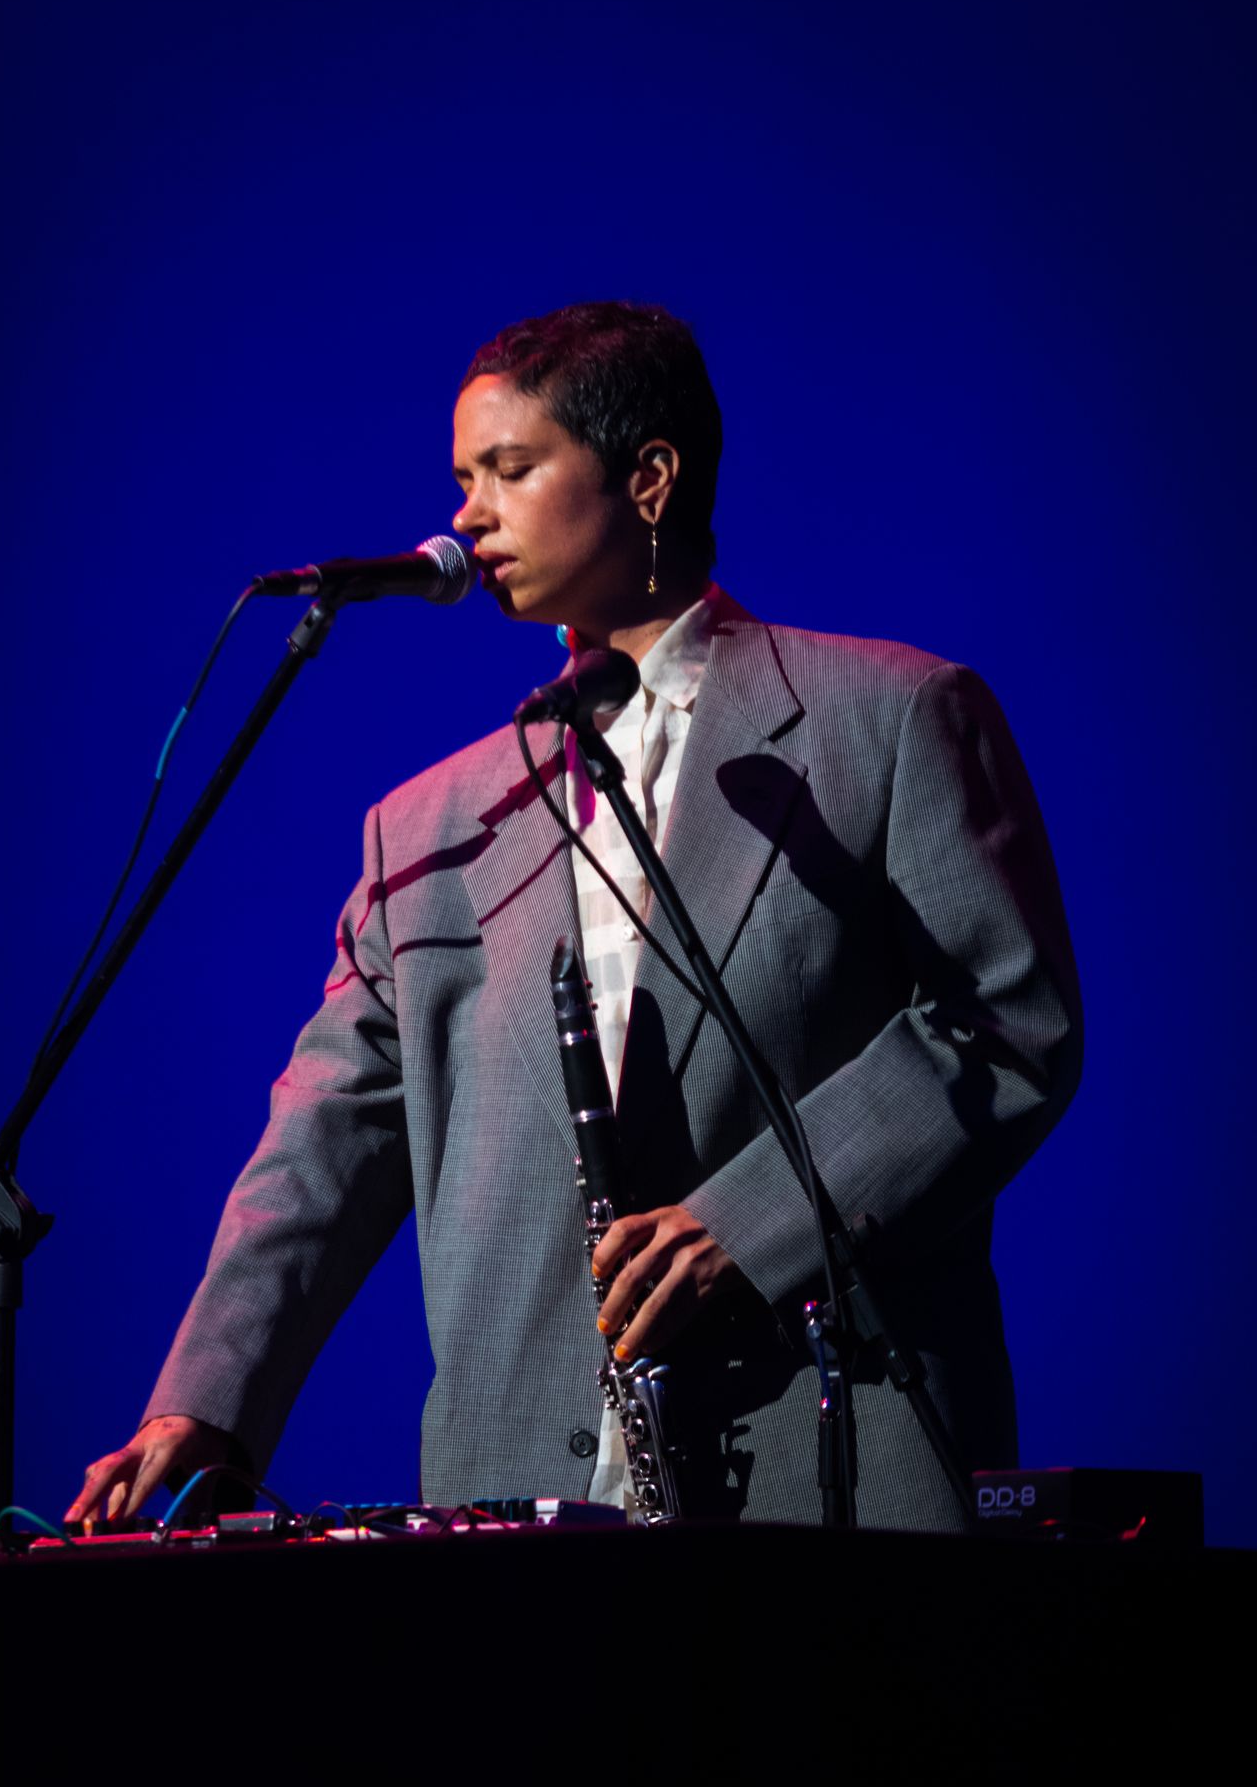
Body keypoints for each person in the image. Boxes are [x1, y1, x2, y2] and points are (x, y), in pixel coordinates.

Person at [67, 300, 1082, 1532]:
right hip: (522, 1495)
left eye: (510, 468)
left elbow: (1003, 1025)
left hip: (835, 1464)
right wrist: (205, 1404)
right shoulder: (430, 826)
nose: (467, 515)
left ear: (647, 475)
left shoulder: (892, 716)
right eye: (461, 477)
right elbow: (323, 1144)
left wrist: (749, 1224)